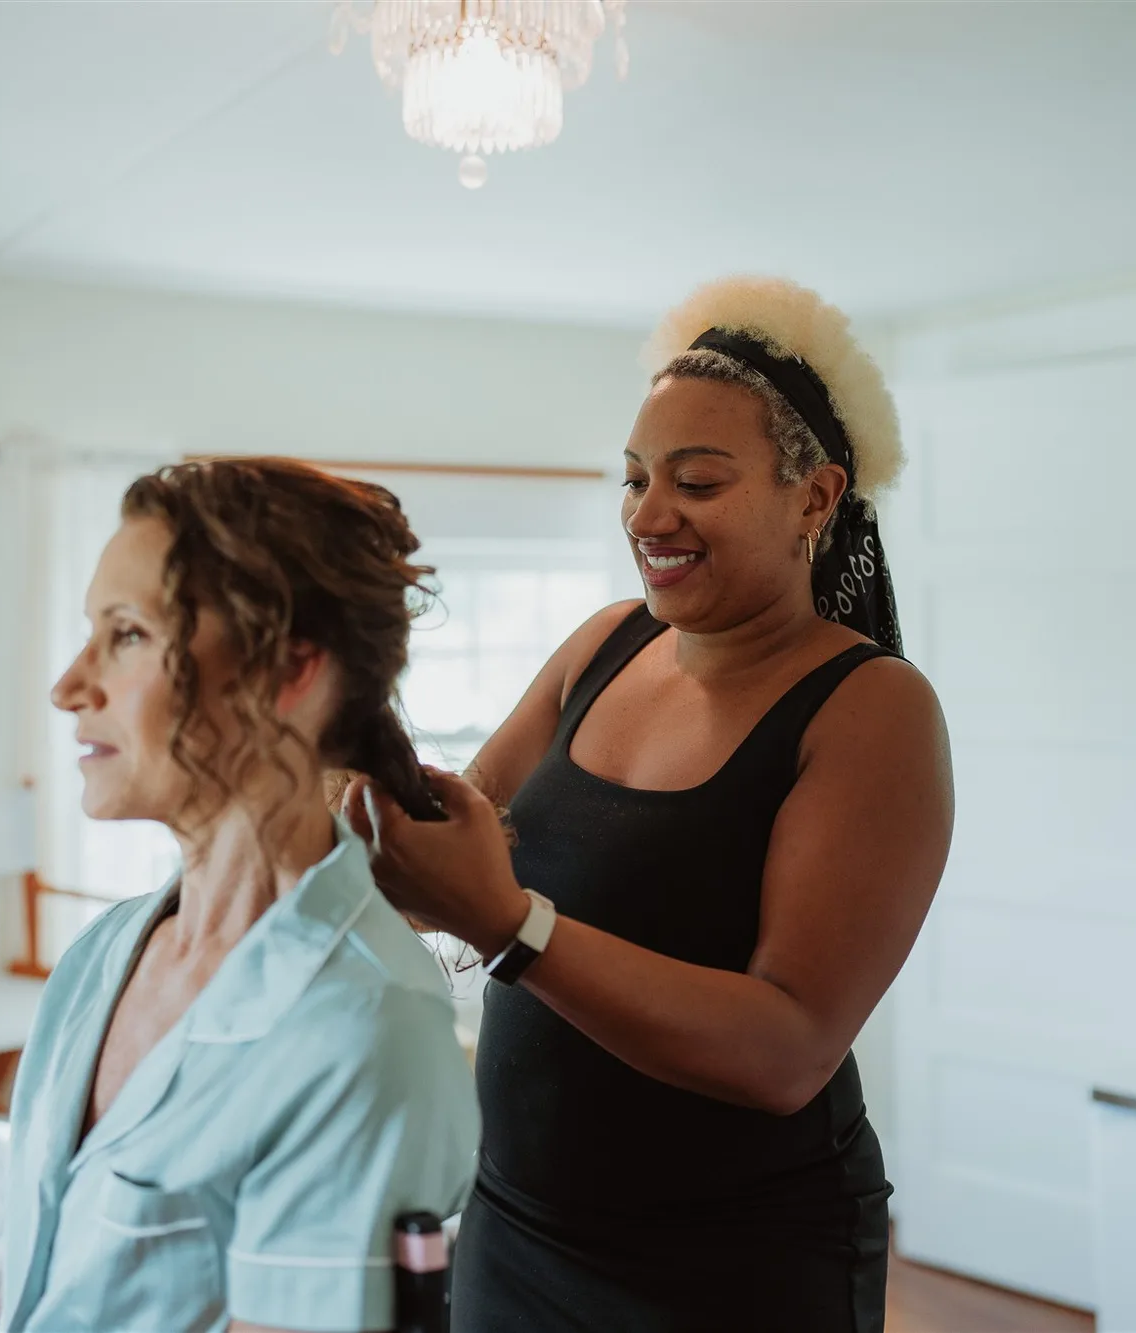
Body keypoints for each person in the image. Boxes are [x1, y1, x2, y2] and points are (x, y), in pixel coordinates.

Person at [347, 277, 954, 1332]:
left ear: (813, 497)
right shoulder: (604, 643)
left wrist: (511, 927)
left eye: (697, 481)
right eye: (632, 479)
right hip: (512, 1224)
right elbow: (449, 847)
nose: (646, 513)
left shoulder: (869, 711)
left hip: (730, 1267)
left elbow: (785, 1047)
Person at [0, 458, 478, 1333]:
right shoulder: (102, 958)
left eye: (125, 634)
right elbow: (41, 1294)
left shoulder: (366, 1034)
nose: (68, 686)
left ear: (289, 671)